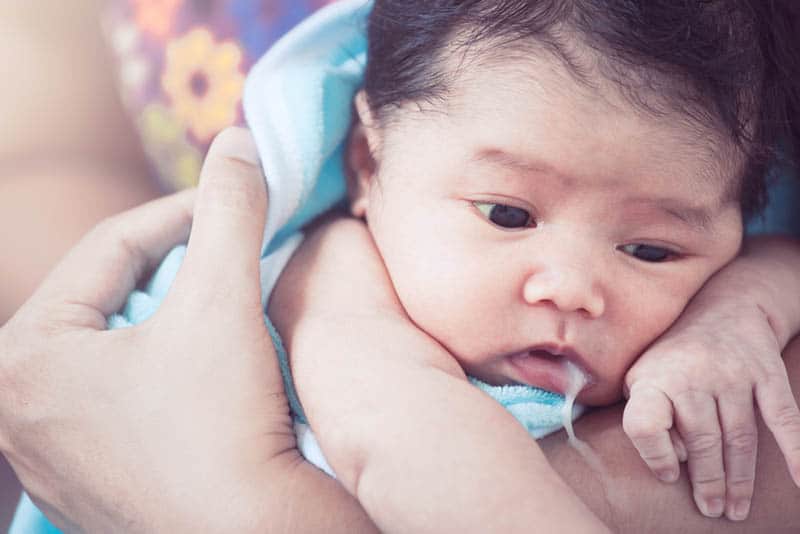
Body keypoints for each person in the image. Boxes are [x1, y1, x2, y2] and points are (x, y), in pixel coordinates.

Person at [1, 0, 799, 532]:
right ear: (366, 164)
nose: (573, 289)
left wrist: (752, 304)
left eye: (651, 250)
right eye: (507, 215)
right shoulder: (337, 293)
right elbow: (419, 455)